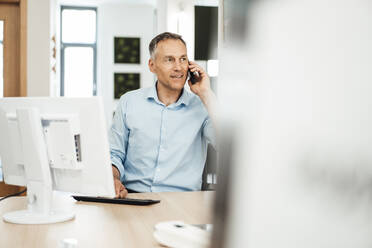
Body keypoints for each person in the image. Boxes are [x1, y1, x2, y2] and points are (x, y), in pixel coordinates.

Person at [109, 32, 218, 198]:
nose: (178, 67)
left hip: (183, 200)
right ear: (152, 65)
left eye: (183, 59)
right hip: (133, 197)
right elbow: (114, 154)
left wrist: (207, 94)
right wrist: (114, 179)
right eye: (169, 59)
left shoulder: (202, 107)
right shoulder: (129, 102)